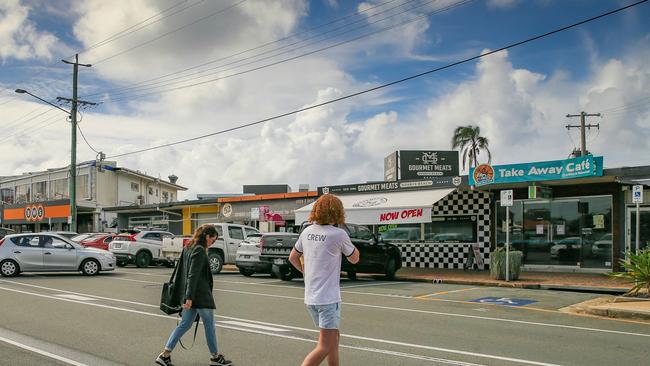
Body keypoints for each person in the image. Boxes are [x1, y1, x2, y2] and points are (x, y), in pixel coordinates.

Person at [289, 194, 360, 366]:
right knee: (325, 345)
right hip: (328, 299)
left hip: (311, 298)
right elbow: (354, 259)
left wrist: (306, 271)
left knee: (334, 338)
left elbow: (293, 257)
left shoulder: (307, 232)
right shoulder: (338, 234)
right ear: (337, 213)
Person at [156, 224, 232, 366]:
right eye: (212, 240)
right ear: (206, 237)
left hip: (190, 295)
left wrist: (185, 296)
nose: (212, 243)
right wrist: (189, 298)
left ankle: (165, 354)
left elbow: (181, 273)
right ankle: (215, 357)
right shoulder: (199, 250)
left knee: (185, 324)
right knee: (209, 325)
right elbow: (192, 275)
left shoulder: (188, 248)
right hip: (200, 296)